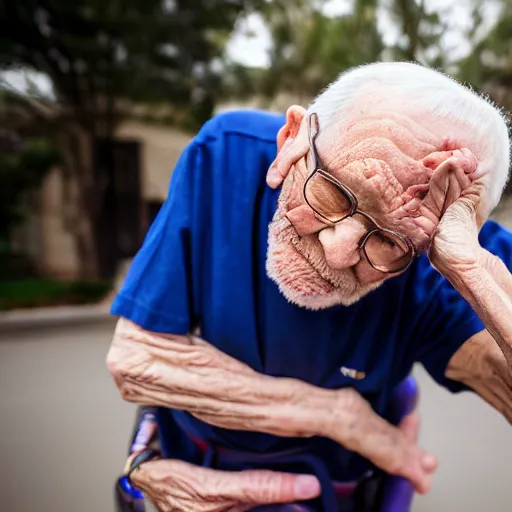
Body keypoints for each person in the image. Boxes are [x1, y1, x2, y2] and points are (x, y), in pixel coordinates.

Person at [107, 62, 512, 512]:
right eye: (334, 192)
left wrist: (470, 270)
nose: (339, 252)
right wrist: (340, 417)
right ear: (292, 138)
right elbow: (134, 359)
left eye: (388, 240)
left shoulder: (451, 258)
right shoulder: (228, 154)